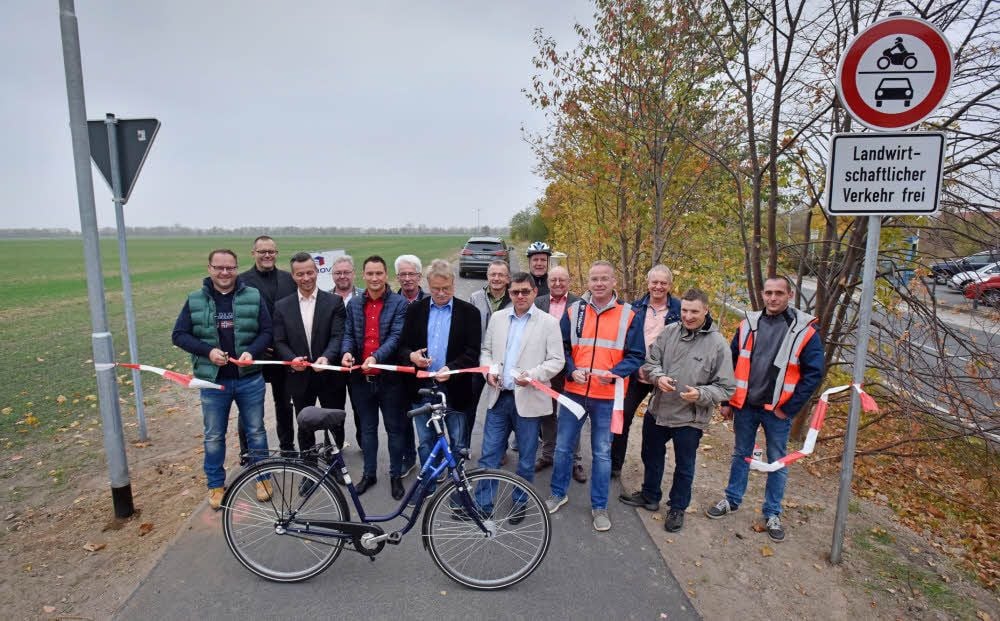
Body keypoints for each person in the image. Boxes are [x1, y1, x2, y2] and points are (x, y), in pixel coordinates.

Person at [705, 276, 824, 543]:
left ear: (789, 295)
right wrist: (727, 401)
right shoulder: (748, 324)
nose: (773, 298)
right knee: (741, 454)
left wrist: (789, 408)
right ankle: (732, 500)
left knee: (777, 462)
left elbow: (813, 374)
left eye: (778, 293)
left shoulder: (804, 331)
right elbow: (732, 362)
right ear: (762, 294)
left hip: (778, 411)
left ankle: (772, 513)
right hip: (746, 406)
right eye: (768, 293)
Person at [618, 288, 735, 532]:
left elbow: (726, 388)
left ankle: (677, 507)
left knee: (684, 465)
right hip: (659, 409)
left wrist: (701, 395)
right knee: (650, 454)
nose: (689, 316)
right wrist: (657, 377)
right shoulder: (669, 332)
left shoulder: (718, 345)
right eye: (684, 310)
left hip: (690, 417)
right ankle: (650, 495)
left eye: (694, 311)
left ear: (706, 311)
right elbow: (651, 363)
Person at [545, 261, 644, 532]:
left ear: (614, 282)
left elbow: (637, 355)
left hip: (608, 397)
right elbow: (561, 347)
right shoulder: (574, 310)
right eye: (594, 279)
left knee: (601, 454)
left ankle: (599, 506)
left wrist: (614, 373)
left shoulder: (629, 315)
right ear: (587, 282)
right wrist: (571, 369)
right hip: (574, 393)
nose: (599, 284)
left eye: (604, 279)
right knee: (563, 447)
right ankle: (557, 493)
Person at [172, 249, 272, 510]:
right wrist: (208, 351)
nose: (224, 272)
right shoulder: (195, 300)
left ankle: (262, 478)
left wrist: (253, 351)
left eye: (229, 267)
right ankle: (216, 485)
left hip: (249, 379)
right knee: (214, 436)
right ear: (209, 268)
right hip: (213, 382)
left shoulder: (253, 295)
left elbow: (267, 331)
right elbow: (179, 335)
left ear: (237, 268)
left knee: (256, 432)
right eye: (219, 267)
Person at [477, 271, 564, 512]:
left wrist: (533, 375)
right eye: (515, 292)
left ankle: (520, 502)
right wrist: (489, 371)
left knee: (526, 459)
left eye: (525, 291)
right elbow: (486, 350)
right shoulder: (498, 318)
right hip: (500, 397)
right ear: (509, 292)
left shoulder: (549, 323)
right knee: (489, 456)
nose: (520, 296)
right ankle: (483, 505)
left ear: (535, 292)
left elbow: (557, 361)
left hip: (529, 399)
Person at [398, 259, 481, 481]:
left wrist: (451, 368)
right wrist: (412, 357)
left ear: (453, 285)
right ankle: (430, 483)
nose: (442, 293)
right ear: (428, 285)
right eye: (436, 289)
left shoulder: (470, 313)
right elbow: (403, 346)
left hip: (456, 389)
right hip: (422, 388)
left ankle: (458, 485)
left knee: (457, 440)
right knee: (426, 440)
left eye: (446, 289)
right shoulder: (415, 310)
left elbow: (473, 352)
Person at [340, 256, 409, 498]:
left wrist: (376, 358)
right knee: (368, 430)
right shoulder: (355, 304)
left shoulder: (400, 304)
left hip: (390, 381)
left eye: (379, 273)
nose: (374, 278)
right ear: (363, 275)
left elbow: (396, 337)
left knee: (394, 430)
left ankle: (395, 476)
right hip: (361, 380)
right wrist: (347, 352)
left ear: (386, 274)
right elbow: (348, 333)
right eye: (370, 274)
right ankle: (369, 474)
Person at [272, 252, 346, 458]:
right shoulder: (281, 306)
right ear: (293, 276)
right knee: (304, 422)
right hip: (299, 376)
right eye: (300, 274)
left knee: (334, 421)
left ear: (316, 272)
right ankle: (309, 463)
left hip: (329, 375)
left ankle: (335, 461)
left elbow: (338, 335)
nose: (306, 278)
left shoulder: (334, 302)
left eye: (310, 273)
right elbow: (279, 341)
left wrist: (327, 356)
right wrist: (291, 359)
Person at [611, 265, 681, 478]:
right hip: (636, 373)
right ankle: (614, 465)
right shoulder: (635, 308)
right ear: (648, 283)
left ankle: (652, 479)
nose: (658, 286)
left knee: (657, 428)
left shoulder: (679, 309)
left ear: (670, 285)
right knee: (622, 417)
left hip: (664, 375)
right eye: (654, 282)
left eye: (663, 283)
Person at [237, 235, 297, 458]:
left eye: (271, 251)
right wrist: (255, 347)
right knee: (250, 406)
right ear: (253, 253)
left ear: (276, 253)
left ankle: (287, 447)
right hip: (255, 354)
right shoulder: (241, 281)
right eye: (262, 251)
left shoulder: (288, 279)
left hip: (282, 354)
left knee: (284, 405)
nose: (267, 255)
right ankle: (247, 451)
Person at [533, 266, 585, 482]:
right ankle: (547, 454)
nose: (557, 284)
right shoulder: (538, 302)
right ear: (548, 281)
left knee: (573, 414)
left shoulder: (580, 305)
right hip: (545, 366)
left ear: (569, 281)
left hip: (571, 367)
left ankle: (575, 460)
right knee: (547, 413)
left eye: (561, 280)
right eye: (553, 279)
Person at [394, 254, 425, 476]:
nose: (407, 279)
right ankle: (408, 458)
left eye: (411, 274)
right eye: (403, 274)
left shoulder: (431, 301)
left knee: (427, 423)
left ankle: (431, 462)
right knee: (402, 420)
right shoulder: (392, 303)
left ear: (419, 276)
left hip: (425, 371)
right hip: (398, 372)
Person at [330, 254, 363, 445]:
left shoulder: (364, 296)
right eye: (338, 273)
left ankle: (363, 441)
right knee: (334, 407)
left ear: (354, 274)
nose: (342, 276)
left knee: (361, 407)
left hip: (358, 364)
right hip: (334, 365)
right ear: (332, 275)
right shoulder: (324, 297)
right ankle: (337, 443)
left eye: (346, 272)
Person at [469, 260, 512, 336]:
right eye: (493, 274)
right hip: (481, 347)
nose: (496, 278)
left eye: (501, 275)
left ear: (508, 278)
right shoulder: (475, 298)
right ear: (487, 276)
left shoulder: (515, 300)